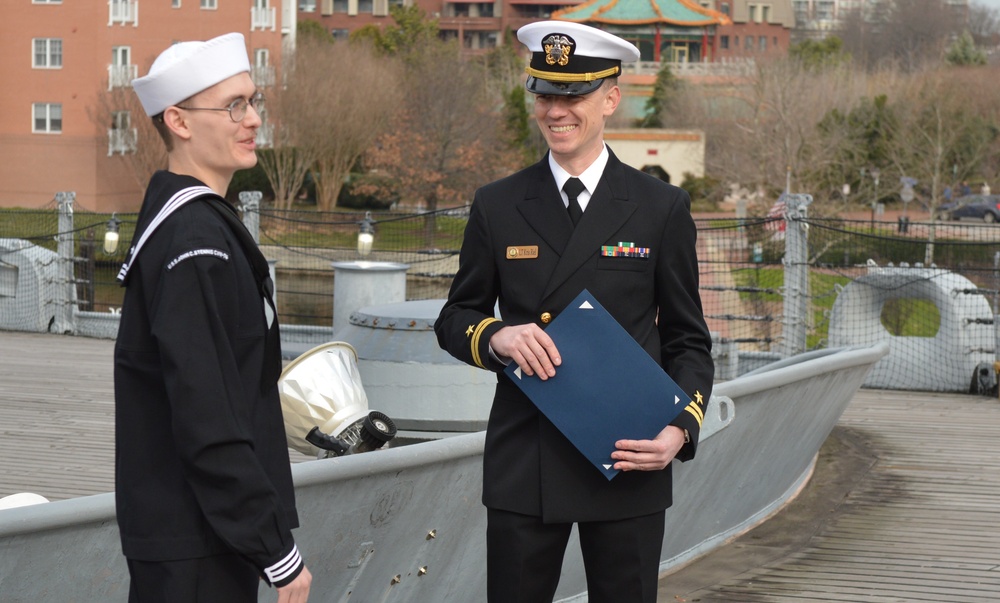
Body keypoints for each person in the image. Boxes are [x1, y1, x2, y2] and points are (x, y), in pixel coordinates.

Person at [433, 21, 714, 603]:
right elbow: (454, 317)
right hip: (526, 459)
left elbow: (689, 341)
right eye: (545, 95)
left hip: (628, 456)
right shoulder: (498, 203)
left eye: (574, 95)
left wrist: (680, 429)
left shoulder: (659, 208)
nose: (556, 111)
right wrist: (497, 337)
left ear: (611, 98)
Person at [114, 33, 311, 602]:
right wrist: (275, 551)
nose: (252, 120)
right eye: (233, 106)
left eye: (253, 102)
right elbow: (207, 413)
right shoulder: (195, 239)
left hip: (198, 532)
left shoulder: (192, 224)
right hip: (198, 539)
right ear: (177, 121)